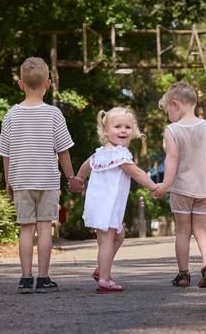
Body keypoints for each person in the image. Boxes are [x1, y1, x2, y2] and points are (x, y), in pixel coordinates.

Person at [0, 56, 78, 294]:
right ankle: (43, 278)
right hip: (48, 181)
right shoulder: (53, 114)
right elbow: (63, 150)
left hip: (21, 180)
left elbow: (6, 153)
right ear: (48, 84)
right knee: (44, 228)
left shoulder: (11, 115)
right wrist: (71, 177)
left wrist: (8, 181)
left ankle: (25, 278)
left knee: (25, 229)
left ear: (21, 84)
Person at [71, 107, 157, 293]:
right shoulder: (119, 155)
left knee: (117, 236)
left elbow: (85, 167)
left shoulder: (100, 153)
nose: (123, 130)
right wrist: (154, 187)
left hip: (101, 204)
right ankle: (104, 278)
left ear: (133, 131)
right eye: (117, 126)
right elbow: (137, 173)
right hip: (107, 206)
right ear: (105, 131)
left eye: (127, 127)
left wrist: (79, 179)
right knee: (108, 240)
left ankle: (102, 268)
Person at [151, 81, 206, 288]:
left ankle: (183, 275)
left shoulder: (173, 130)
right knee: (202, 231)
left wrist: (164, 185)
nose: (168, 116)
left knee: (183, 232)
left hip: (181, 189)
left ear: (175, 104)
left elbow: (172, 161)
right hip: (205, 189)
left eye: (168, 111)